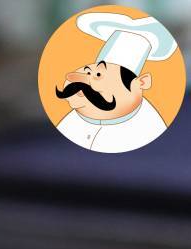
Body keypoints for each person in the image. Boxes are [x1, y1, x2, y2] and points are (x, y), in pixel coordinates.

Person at [55, 11, 179, 153]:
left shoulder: (150, 129)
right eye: (87, 71)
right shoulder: (71, 118)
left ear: (141, 83)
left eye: (99, 75)